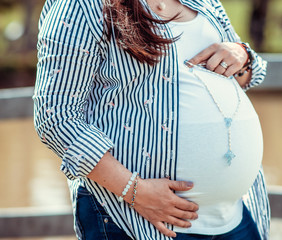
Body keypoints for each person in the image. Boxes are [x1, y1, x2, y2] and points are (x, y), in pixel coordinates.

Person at [33, 0, 270, 239]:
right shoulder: (82, 5)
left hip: (235, 216)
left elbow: (240, 75)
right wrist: (134, 191)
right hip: (138, 219)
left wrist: (242, 55)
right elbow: (55, 116)